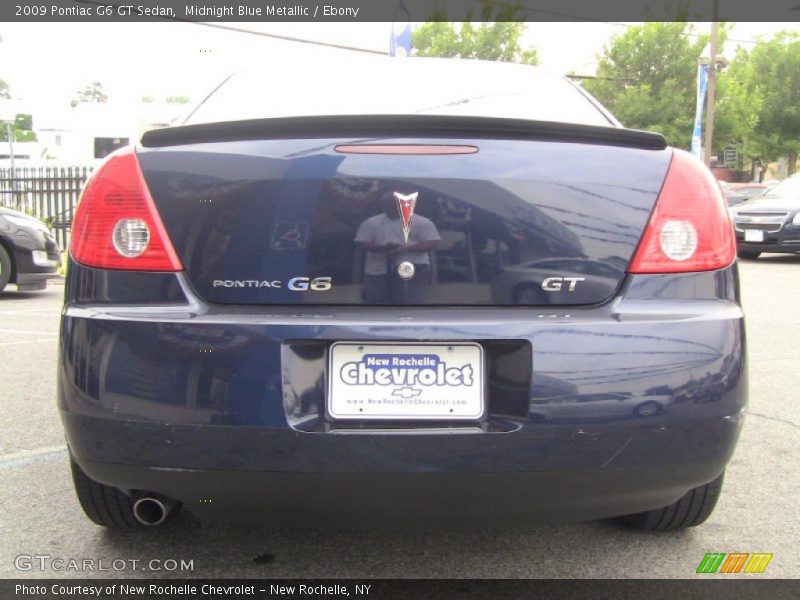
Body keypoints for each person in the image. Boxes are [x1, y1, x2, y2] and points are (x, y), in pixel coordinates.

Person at [354, 191, 440, 303]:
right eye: (388, 204)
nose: (391, 206)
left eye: (395, 203)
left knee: (410, 302)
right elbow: (362, 242)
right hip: (377, 269)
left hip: (413, 267)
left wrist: (406, 248)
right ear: (383, 205)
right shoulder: (371, 223)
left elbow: (431, 242)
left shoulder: (422, 222)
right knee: (376, 303)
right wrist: (383, 248)